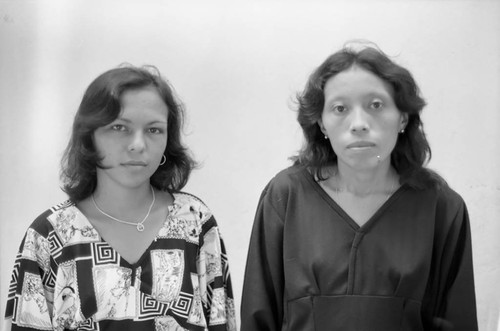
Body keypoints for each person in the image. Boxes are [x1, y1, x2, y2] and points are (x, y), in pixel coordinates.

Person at [240, 44, 478, 330]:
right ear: (322, 124)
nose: (359, 124)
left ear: (402, 117)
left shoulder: (442, 208)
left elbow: (457, 321)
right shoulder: (285, 197)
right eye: (340, 108)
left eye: (375, 105)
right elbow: (258, 318)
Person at [4, 65, 236, 331]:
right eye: (119, 127)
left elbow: (222, 322)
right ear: (89, 136)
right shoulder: (51, 235)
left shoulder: (195, 222)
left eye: (154, 130)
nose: (138, 144)